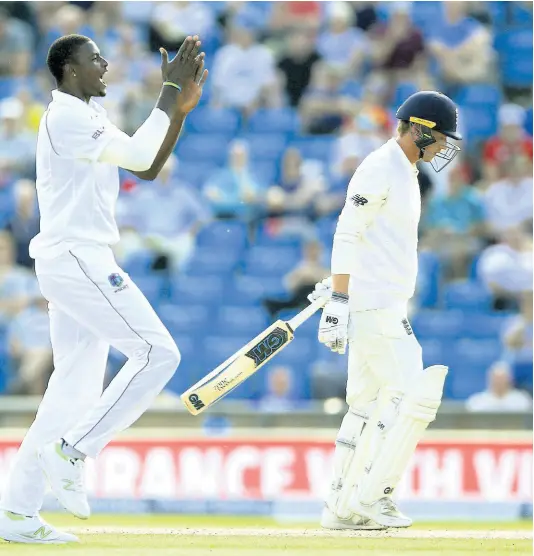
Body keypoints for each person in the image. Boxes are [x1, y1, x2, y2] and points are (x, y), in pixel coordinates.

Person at [0, 33, 208, 545]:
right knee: (159, 353)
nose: (105, 63)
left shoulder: (90, 116)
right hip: (76, 256)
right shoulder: (68, 115)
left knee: (71, 391)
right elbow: (141, 155)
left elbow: (149, 165)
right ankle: (74, 452)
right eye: (94, 58)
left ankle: (17, 513)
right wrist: (168, 90)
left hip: (76, 259)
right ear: (70, 70)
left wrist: (177, 109)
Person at [308, 91, 462, 530]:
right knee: (414, 393)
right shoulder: (380, 166)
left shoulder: (406, 171)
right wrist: (339, 299)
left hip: (378, 300)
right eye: (440, 137)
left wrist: (343, 293)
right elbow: (346, 232)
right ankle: (375, 498)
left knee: (364, 403)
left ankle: (340, 508)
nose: (444, 147)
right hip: (375, 304)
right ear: (420, 129)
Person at [465, 361, 532, 413]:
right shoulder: (477, 402)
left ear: (509, 379)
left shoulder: (522, 401)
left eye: (502, 378)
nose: (499, 382)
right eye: (496, 378)